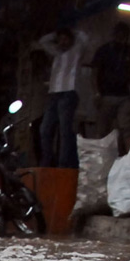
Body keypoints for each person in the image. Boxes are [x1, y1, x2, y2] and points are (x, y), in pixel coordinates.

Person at [37, 25, 90, 168]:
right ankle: (48, 160)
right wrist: (56, 35)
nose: (62, 42)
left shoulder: (77, 50)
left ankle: (65, 163)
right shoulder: (56, 52)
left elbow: (84, 37)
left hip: (69, 92)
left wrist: (72, 31)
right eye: (60, 40)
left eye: (65, 39)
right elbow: (43, 41)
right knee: (45, 129)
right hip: (54, 93)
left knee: (65, 130)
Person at [90, 22, 130, 155]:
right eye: (119, 34)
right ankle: (99, 161)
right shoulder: (104, 50)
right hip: (106, 95)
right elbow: (95, 73)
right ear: (114, 34)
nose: (121, 37)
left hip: (124, 95)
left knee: (126, 129)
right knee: (102, 130)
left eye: (124, 35)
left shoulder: (128, 51)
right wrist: (97, 93)